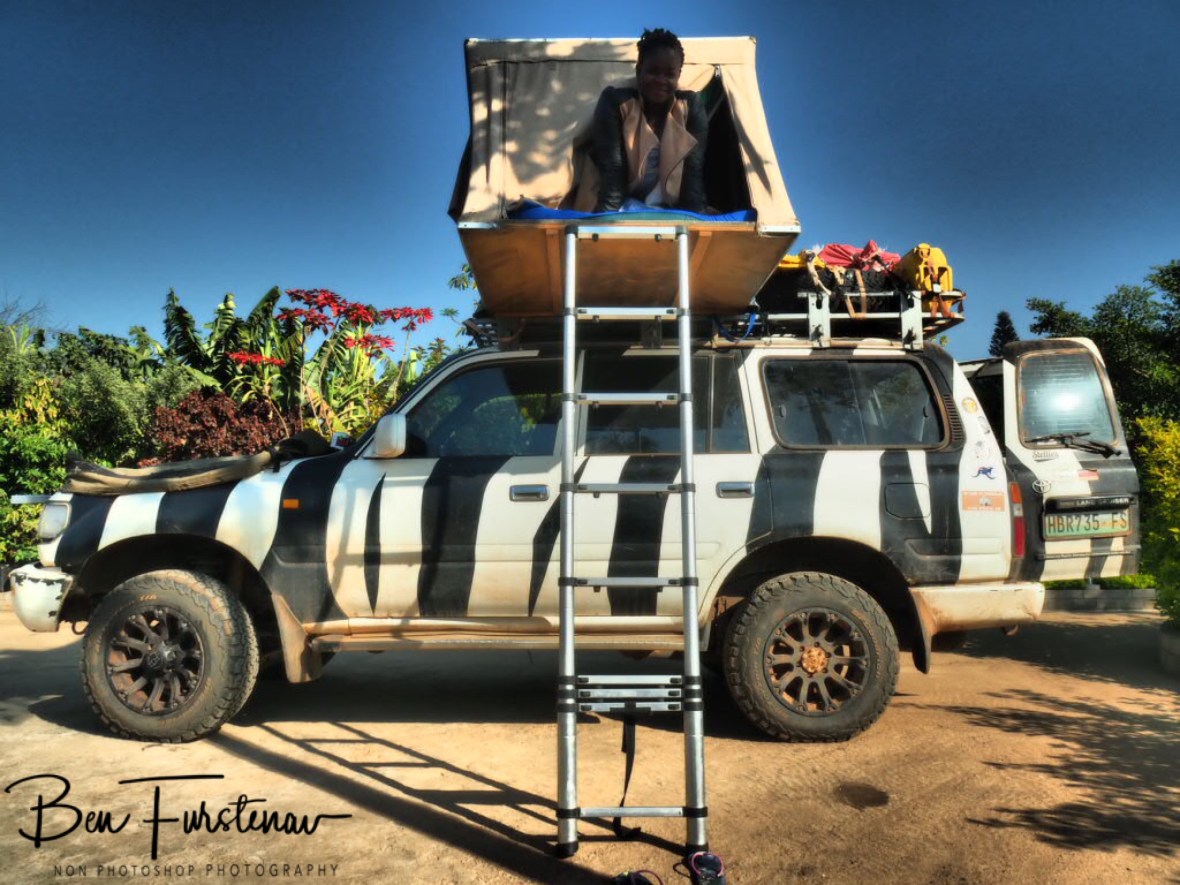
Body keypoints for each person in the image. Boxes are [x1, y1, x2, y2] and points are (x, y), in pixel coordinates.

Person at [590, 28, 707, 213]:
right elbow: (612, 170)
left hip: (670, 208)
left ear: (678, 76)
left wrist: (694, 219)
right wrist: (605, 222)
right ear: (639, 70)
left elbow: (693, 172)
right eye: (653, 71)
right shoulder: (616, 103)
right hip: (621, 204)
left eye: (669, 74)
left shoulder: (690, 108)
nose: (661, 80)